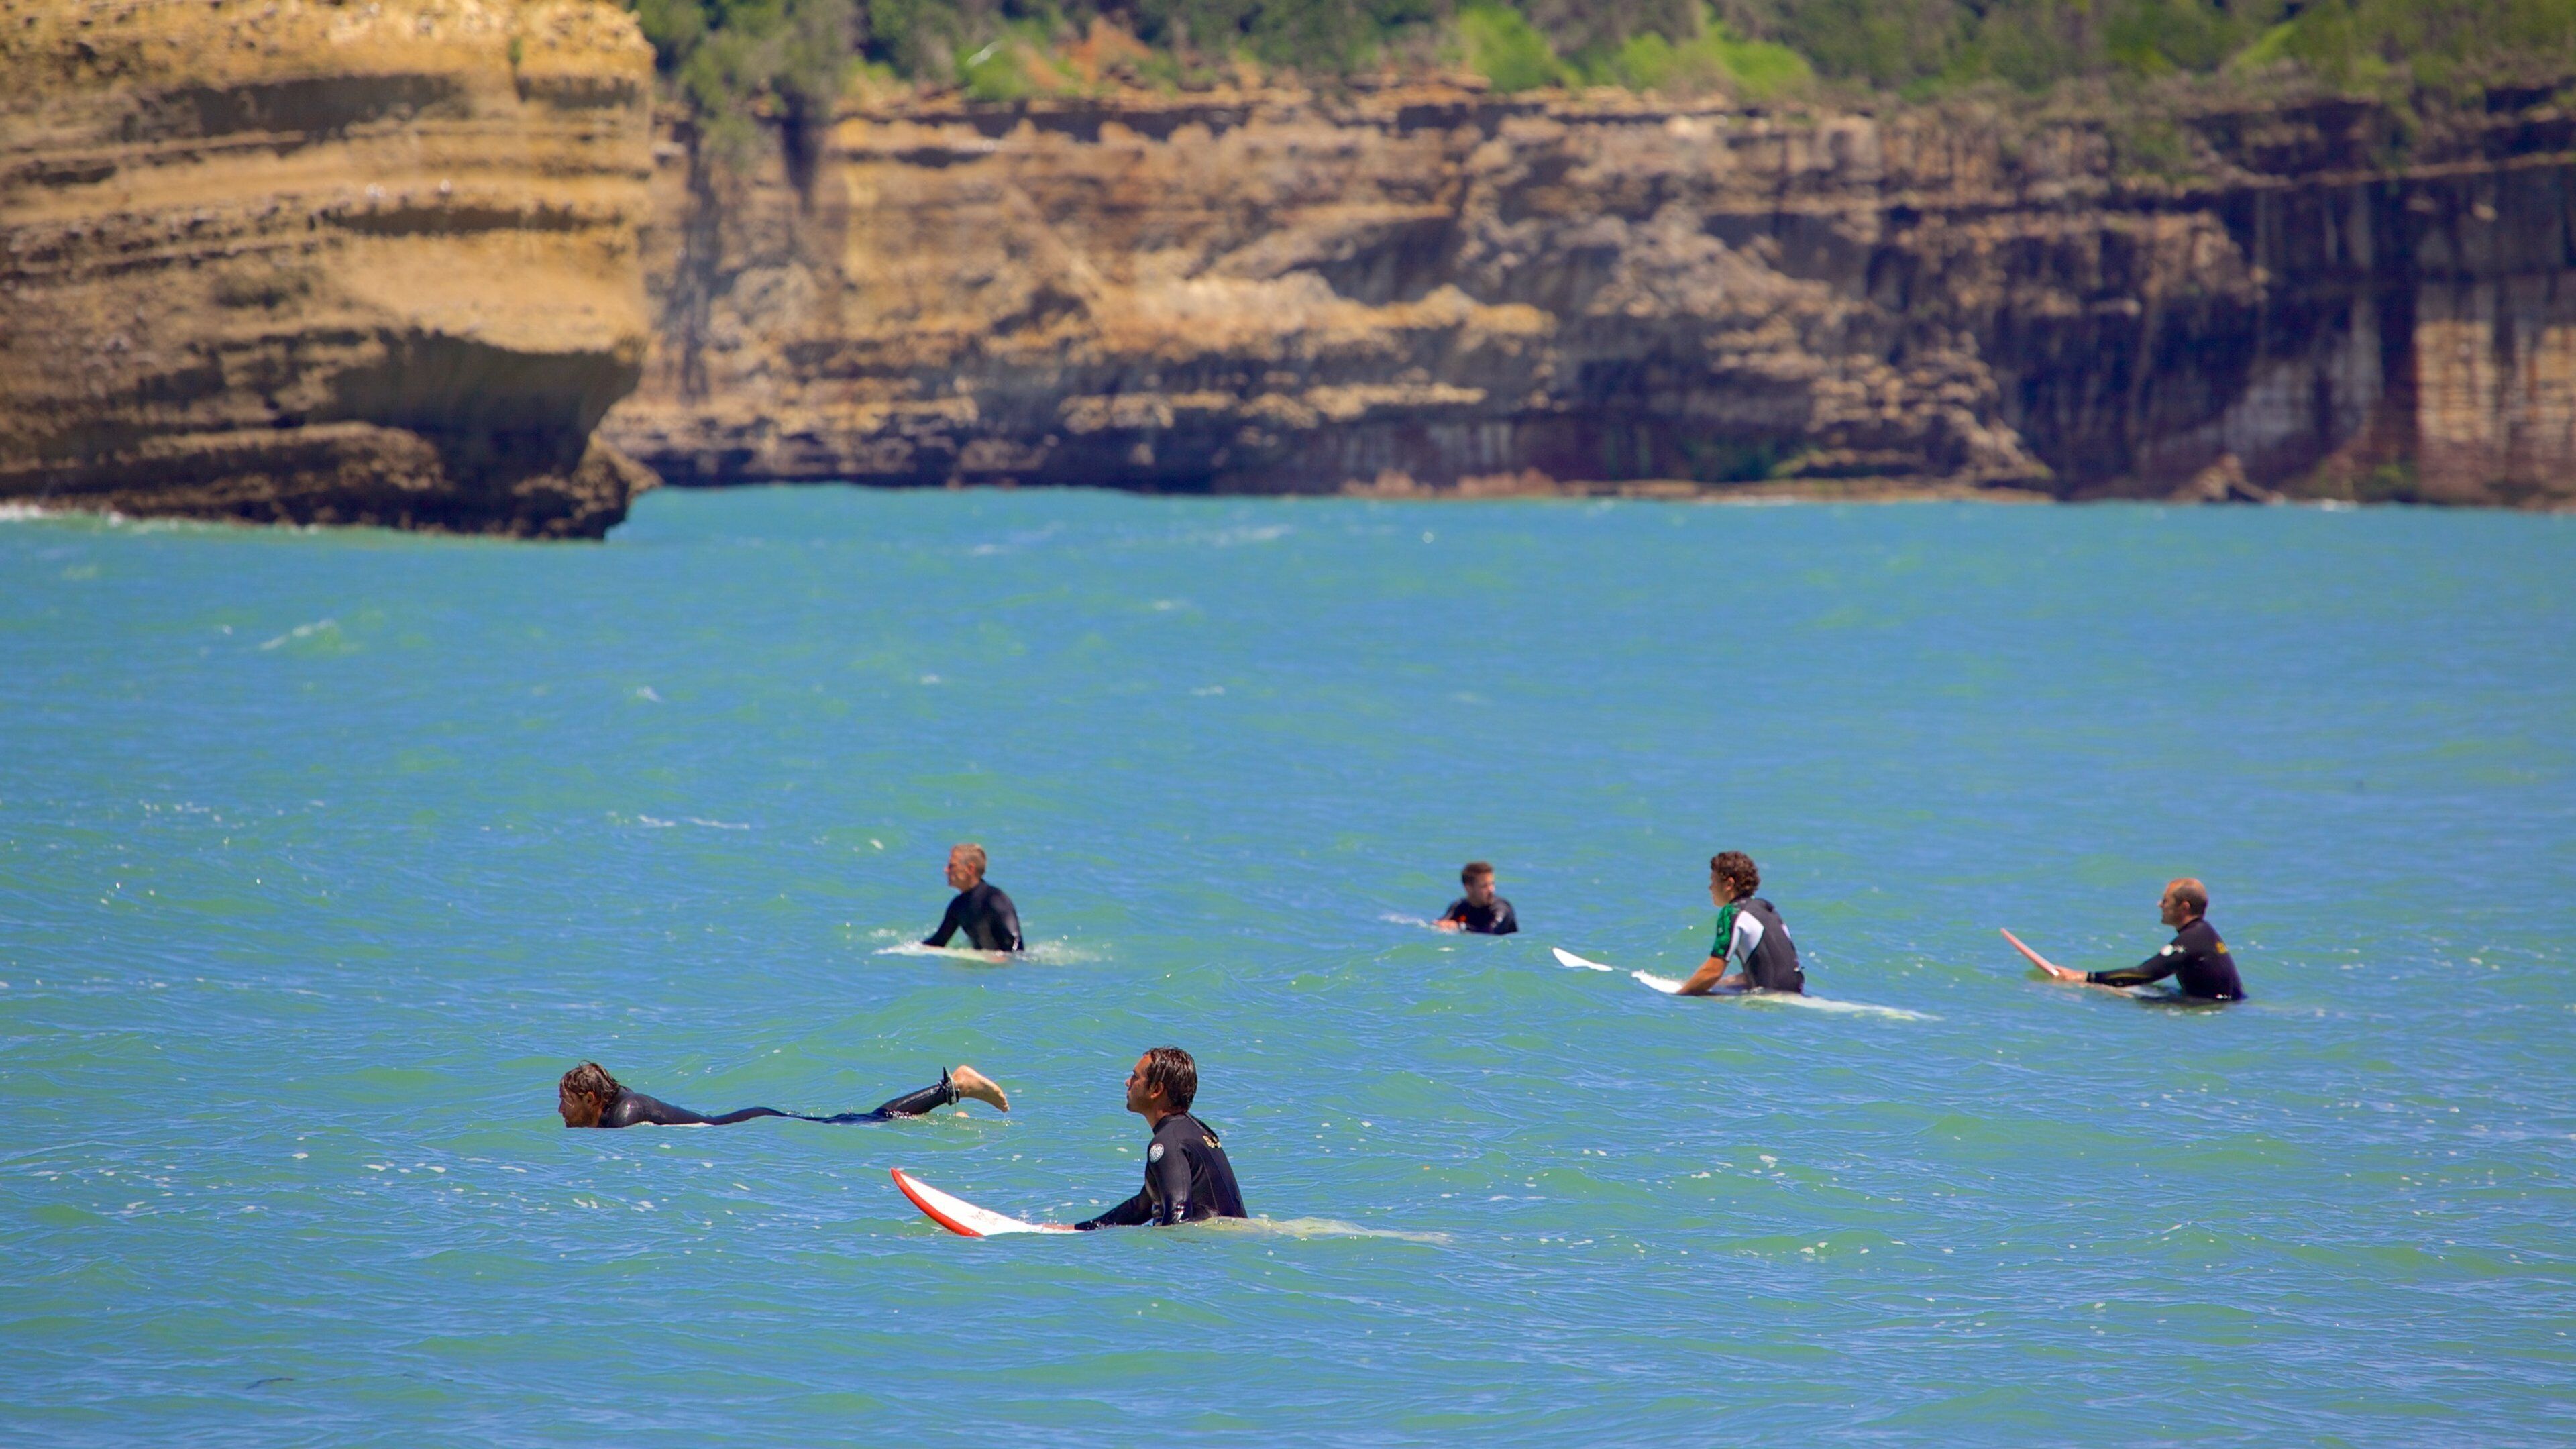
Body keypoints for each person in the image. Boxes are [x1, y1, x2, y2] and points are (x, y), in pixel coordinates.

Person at [1075, 1046, 1247, 1229]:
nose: (1127, 1082)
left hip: (1211, 1248)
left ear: (1156, 1090)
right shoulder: (1194, 1130)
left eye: (1135, 1077)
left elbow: (1177, 1223)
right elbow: (1143, 1206)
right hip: (1235, 1240)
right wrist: (1080, 1229)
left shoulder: (1167, 1144)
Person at [557, 1061, 1010, 1128]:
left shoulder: (623, 1116)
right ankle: (936, 1106)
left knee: (857, 1123)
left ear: (595, 1102)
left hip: (747, 1129)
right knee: (853, 1123)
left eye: (568, 1100)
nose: (560, 1109)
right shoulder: (619, 1101)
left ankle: (953, 1088)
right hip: (745, 1123)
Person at [2003, 877, 2247, 1001]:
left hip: (2209, 1008)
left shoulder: (2192, 940)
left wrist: (2084, 977)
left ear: (2184, 907)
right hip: (2222, 1005)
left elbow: (2144, 973)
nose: (2160, 905)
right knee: (2132, 991)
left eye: (2166, 901)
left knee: (2126, 998)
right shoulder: (2203, 934)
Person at [1676, 850, 1805, 996]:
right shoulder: (1767, 909)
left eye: (1713, 881)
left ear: (1729, 884)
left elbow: (1713, 971)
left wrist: (1679, 995)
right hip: (1796, 993)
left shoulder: (1733, 912)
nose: (1710, 888)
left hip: (1767, 1000)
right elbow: (1772, 969)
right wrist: (1722, 983)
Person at [924, 843, 1022, 953]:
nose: (946, 870)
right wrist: (910, 949)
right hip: (980, 966)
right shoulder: (958, 905)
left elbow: (1017, 944)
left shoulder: (995, 899)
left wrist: (1004, 959)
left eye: (952, 866)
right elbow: (939, 941)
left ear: (970, 869)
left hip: (1002, 968)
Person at [1436, 860, 1519, 935]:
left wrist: (1461, 927)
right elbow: (1440, 924)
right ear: (1469, 888)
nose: (1491, 890)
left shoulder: (1501, 909)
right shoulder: (1460, 906)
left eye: (1492, 884)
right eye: (1484, 886)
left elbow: (1491, 931)